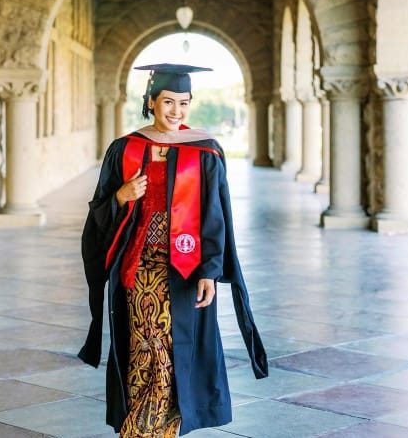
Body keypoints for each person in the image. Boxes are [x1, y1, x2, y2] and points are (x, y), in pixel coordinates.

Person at [79, 63, 268, 437]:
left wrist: (210, 271)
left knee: (173, 348)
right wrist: (121, 195)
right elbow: (98, 211)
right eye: (168, 102)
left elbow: (216, 217)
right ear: (151, 101)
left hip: (185, 268)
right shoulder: (125, 148)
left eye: (184, 103)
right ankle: (143, 424)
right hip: (137, 266)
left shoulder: (205, 151)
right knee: (146, 344)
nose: (176, 112)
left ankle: (154, 427)